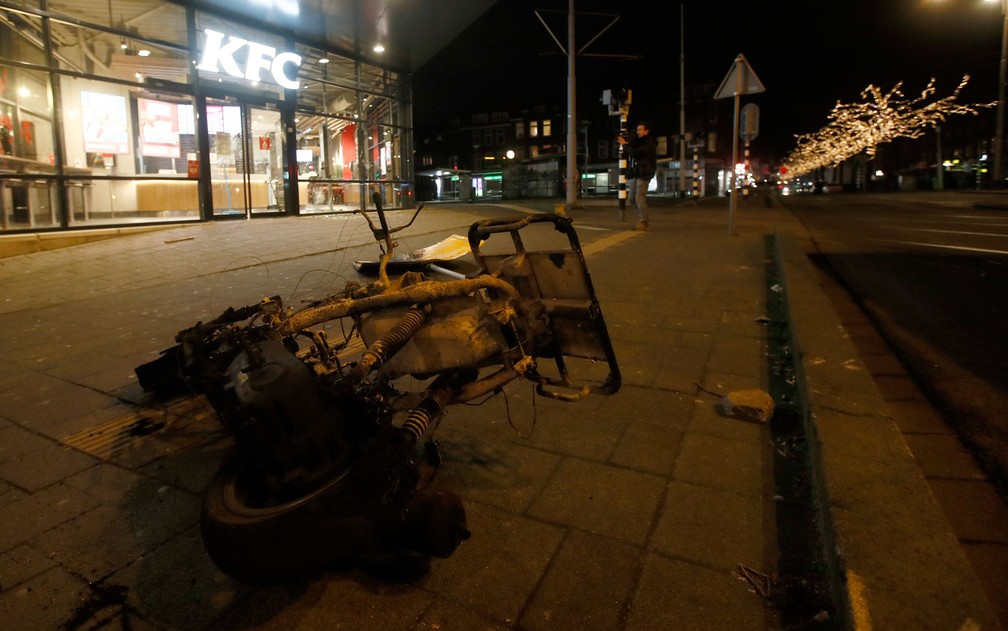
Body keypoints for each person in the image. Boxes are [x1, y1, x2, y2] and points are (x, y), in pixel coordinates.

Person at [617, 121, 657, 231]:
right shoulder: (638, 142)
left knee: (639, 198)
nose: (638, 132)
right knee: (631, 199)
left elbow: (635, 153)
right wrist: (626, 141)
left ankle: (643, 221)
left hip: (645, 173)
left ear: (646, 131)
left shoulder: (650, 143)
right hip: (637, 173)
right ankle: (643, 217)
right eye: (637, 130)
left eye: (640, 130)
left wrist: (624, 144)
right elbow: (631, 150)